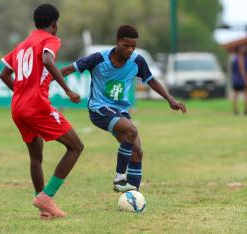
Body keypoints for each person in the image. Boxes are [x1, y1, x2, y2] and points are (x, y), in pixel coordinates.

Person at [61, 25, 186, 193]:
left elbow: (151, 81)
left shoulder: (137, 61)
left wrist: (170, 99)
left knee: (137, 151)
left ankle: (132, 196)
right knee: (131, 130)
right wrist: (46, 81)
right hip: (99, 109)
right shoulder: (98, 58)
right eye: (126, 45)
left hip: (121, 111)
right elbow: (68, 70)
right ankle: (119, 178)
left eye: (133, 46)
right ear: (118, 42)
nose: (130, 50)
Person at [0, 4, 84, 219]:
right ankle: (47, 197)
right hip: (36, 106)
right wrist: (67, 90)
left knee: (35, 157)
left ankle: (43, 207)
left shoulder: (22, 45)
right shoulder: (50, 40)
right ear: (55, 24)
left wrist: (21, 93)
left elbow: (3, 75)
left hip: (18, 108)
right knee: (76, 147)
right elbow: (47, 59)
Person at [231, 45, 247, 115]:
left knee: (235, 95)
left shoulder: (234, 58)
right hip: (241, 79)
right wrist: (245, 80)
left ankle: (235, 110)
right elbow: (242, 70)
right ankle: (245, 110)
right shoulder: (241, 58)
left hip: (235, 79)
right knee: (245, 95)